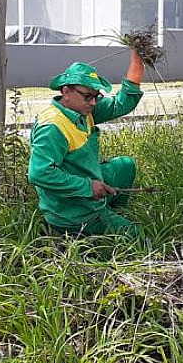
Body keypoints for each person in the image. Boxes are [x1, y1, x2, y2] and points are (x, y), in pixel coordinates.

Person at [27, 50, 145, 237]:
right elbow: (39, 174)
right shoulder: (52, 126)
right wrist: (87, 187)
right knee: (136, 237)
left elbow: (121, 103)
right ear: (66, 92)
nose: (93, 102)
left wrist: (137, 59)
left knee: (125, 166)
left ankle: (112, 213)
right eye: (87, 96)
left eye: (96, 97)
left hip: (85, 179)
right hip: (69, 208)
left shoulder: (84, 111)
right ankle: (79, 227)